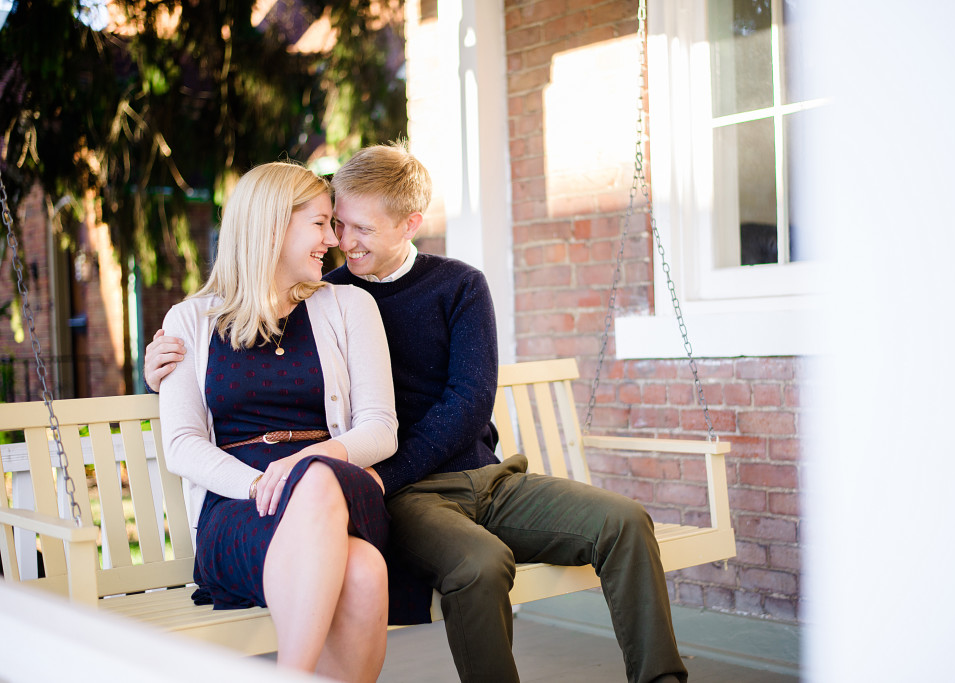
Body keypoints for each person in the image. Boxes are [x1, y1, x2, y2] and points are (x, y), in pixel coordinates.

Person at [147, 143, 689, 683]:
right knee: (475, 564)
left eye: (358, 227)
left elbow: (466, 403)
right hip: (387, 493)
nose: (339, 240)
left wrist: (367, 475)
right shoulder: (316, 295)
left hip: (461, 474)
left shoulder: (440, 288)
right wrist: (162, 370)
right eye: (332, 223)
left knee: (625, 521)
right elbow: (198, 411)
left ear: (410, 223)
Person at [157, 161, 398, 682]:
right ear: (271, 225)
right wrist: (262, 484)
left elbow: (380, 426)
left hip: (334, 490)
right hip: (239, 506)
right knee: (363, 571)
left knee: (313, 480)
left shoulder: (349, 306)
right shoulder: (190, 320)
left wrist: (304, 466)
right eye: (319, 223)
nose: (333, 241)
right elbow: (181, 444)